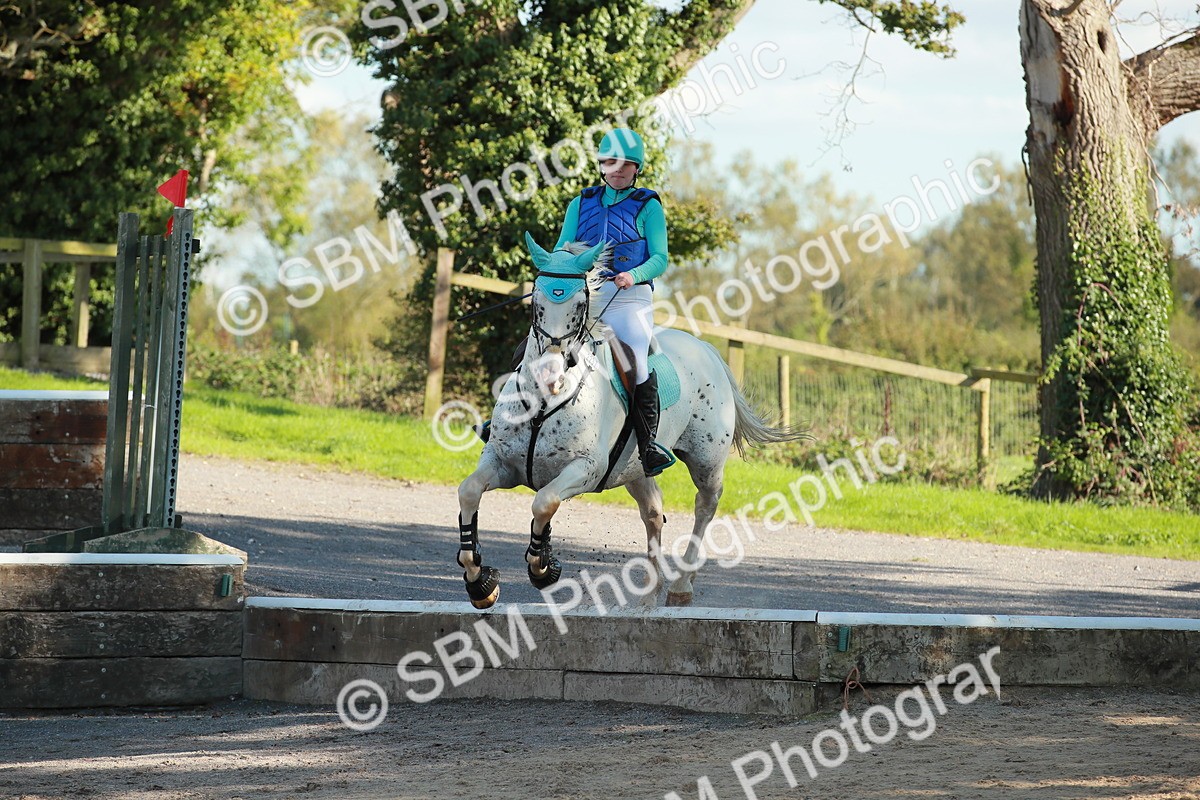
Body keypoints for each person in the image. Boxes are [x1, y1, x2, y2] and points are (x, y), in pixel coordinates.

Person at [553, 127, 674, 476]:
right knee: (544, 339)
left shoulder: (648, 206)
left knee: (635, 358)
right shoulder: (581, 202)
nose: (617, 170)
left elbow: (661, 258)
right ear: (602, 166)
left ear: (636, 169)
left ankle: (648, 446)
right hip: (587, 293)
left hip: (628, 297)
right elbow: (564, 245)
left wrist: (632, 275)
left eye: (625, 165)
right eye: (610, 163)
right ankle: (507, 422)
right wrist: (558, 266)